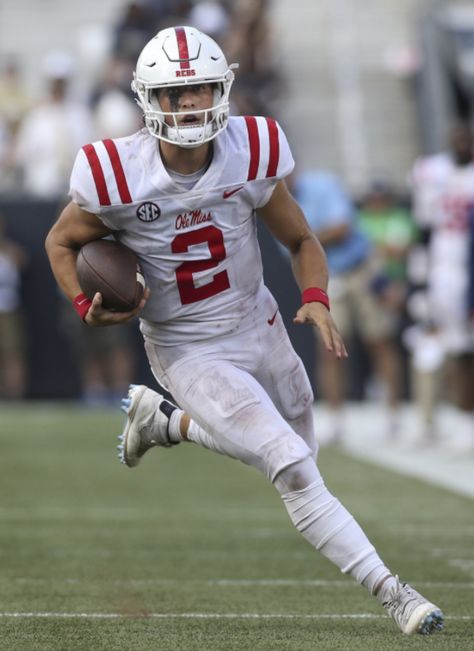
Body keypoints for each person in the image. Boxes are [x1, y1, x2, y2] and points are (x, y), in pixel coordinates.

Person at [45, 26, 443, 635]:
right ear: (149, 100)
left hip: (258, 325)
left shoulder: (250, 149)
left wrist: (315, 297)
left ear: (221, 89)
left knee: (297, 449)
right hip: (186, 345)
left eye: (199, 90)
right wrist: (83, 304)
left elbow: (302, 238)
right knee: (291, 466)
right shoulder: (115, 173)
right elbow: (61, 240)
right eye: (174, 95)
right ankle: (395, 593)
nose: (188, 106)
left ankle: (169, 423)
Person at [292, 170, 403, 440]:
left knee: (378, 340)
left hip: (361, 268)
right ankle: (335, 418)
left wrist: (306, 237)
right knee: (328, 347)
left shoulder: (321, 183)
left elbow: (341, 228)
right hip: (326, 278)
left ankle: (392, 414)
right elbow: (292, 251)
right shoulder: (269, 198)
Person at [409, 122, 474, 450]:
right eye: (457, 137)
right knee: (430, 345)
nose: (462, 143)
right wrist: (419, 286)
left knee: (465, 350)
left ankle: (465, 422)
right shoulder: (434, 171)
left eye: (467, 138)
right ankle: (429, 423)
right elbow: (423, 231)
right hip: (441, 272)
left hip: (466, 271)